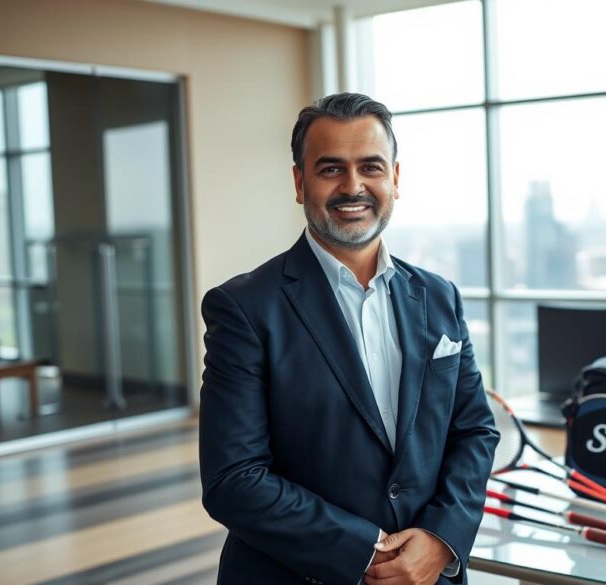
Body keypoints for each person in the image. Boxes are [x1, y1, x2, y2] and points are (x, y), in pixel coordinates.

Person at [199, 92, 499, 585]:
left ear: (395, 179)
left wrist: (440, 539)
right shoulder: (243, 308)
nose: (353, 186)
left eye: (371, 167)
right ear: (300, 183)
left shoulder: (439, 296)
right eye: (331, 168)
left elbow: (474, 432)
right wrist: (366, 552)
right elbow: (234, 479)